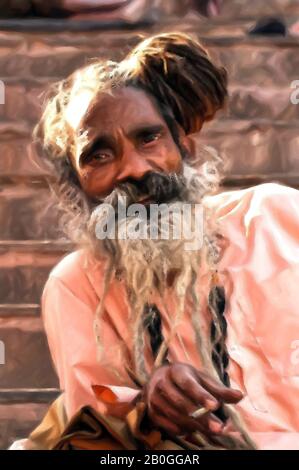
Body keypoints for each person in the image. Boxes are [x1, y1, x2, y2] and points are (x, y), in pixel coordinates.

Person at [11, 32, 299, 450]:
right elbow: (96, 434)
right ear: (78, 187)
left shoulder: (276, 215)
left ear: (184, 144)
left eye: (149, 138)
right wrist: (146, 406)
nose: (134, 169)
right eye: (100, 155)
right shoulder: (74, 286)